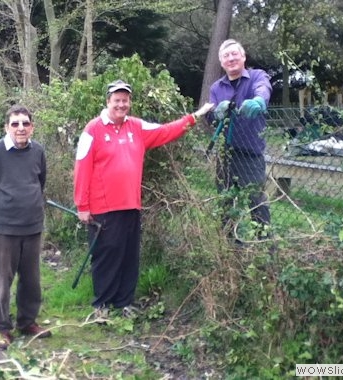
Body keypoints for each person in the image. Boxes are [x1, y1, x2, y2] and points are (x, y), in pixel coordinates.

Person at [73, 79, 213, 318]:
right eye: (116, 100)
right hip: (103, 207)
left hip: (131, 204)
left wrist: (194, 117)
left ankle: (124, 302)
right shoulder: (93, 130)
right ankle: (102, 306)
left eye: (125, 100)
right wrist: (82, 205)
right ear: (108, 102)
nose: (121, 105)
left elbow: (166, 131)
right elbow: (82, 167)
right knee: (106, 256)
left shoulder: (136, 127)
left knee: (129, 255)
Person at [0, 104, 51, 349]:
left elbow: (40, 182)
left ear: (32, 127)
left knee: (31, 280)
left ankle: (27, 322)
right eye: (15, 123)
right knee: (2, 282)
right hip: (2, 230)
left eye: (25, 123)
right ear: (6, 127)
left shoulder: (38, 151)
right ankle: (2, 329)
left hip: (32, 227)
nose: (21, 128)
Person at [208, 39, 272, 240]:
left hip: (251, 154)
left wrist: (259, 100)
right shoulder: (216, 88)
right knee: (226, 203)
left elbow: (264, 88)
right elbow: (210, 117)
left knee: (257, 203)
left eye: (235, 54)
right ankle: (230, 247)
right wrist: (216, 113)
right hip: (226, 154)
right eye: (226, 56)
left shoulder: (256, 77)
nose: (231, 58)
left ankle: (265, 250)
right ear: (221, 62)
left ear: (243, 57)